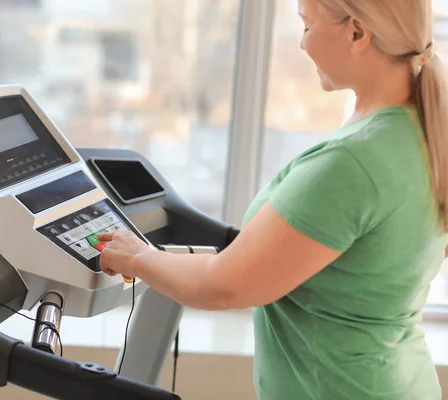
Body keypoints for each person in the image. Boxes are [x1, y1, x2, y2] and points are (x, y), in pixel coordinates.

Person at [97, 0, 448, 398]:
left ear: (356, 33)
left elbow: (225, 286)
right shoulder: (420, 132)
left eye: (306, 27)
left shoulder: (353, 161)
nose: (302, 45)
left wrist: (136, 257)